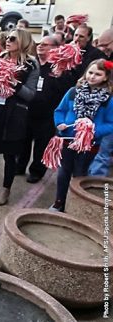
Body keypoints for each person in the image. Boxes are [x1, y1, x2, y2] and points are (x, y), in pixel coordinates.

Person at [0, 29, 39, 205]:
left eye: (12, 38)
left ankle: (6, 189)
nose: (7, 41)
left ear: (23, 41)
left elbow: (30, 95)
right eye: (6, 38)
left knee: (9, 154)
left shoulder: (31, 65)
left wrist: (13, 83)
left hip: (14, 115)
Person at [50, 59, 113, 211]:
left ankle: (75, 204)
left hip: (89, 144)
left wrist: (93, 131)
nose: (92, 77)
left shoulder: (108, 100)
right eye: (90, 73)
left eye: (98, 74)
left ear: (105, 77)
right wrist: (60, 124)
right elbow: (60, 110)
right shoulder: (73, 92)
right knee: (63, 172)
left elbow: (110, 124)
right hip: (68, 140)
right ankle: (60, 201)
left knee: (80, 174)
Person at [16, 36, 72, 183]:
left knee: (41, 144)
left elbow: (65, 90)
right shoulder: (32, 64)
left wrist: (60, 77)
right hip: (28, 110)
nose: (40, 46)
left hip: (47, 114)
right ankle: (20, 165)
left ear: (54, 48)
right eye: (40, 44)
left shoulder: (59, 68)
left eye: (45, 45)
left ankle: (36, 171)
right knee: (23, 141)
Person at [88, 29, 113, 177]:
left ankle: (96, 190)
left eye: (105, 45)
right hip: (101, 113)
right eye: (100, 45)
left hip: (109, 115)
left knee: (103, 154)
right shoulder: (107, 58)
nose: (103, 49)